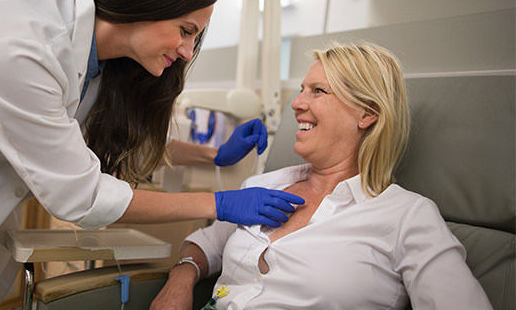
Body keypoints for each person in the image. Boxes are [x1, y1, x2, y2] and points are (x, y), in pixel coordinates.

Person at [0, 0, 304, 309]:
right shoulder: (21, 48)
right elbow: (81, 196)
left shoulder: (101, 63)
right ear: (145, 1)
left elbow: (102, 135)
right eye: (186, 30)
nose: (188, 50)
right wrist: (218, 202)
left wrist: (214, 156)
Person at [151, 42, 492, 309]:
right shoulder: (263, 186)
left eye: (318, 91)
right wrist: (180, 277)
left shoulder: (408, 217)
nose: (296, 103)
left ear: (367, 113)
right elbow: (205, 245)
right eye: (301, 89)